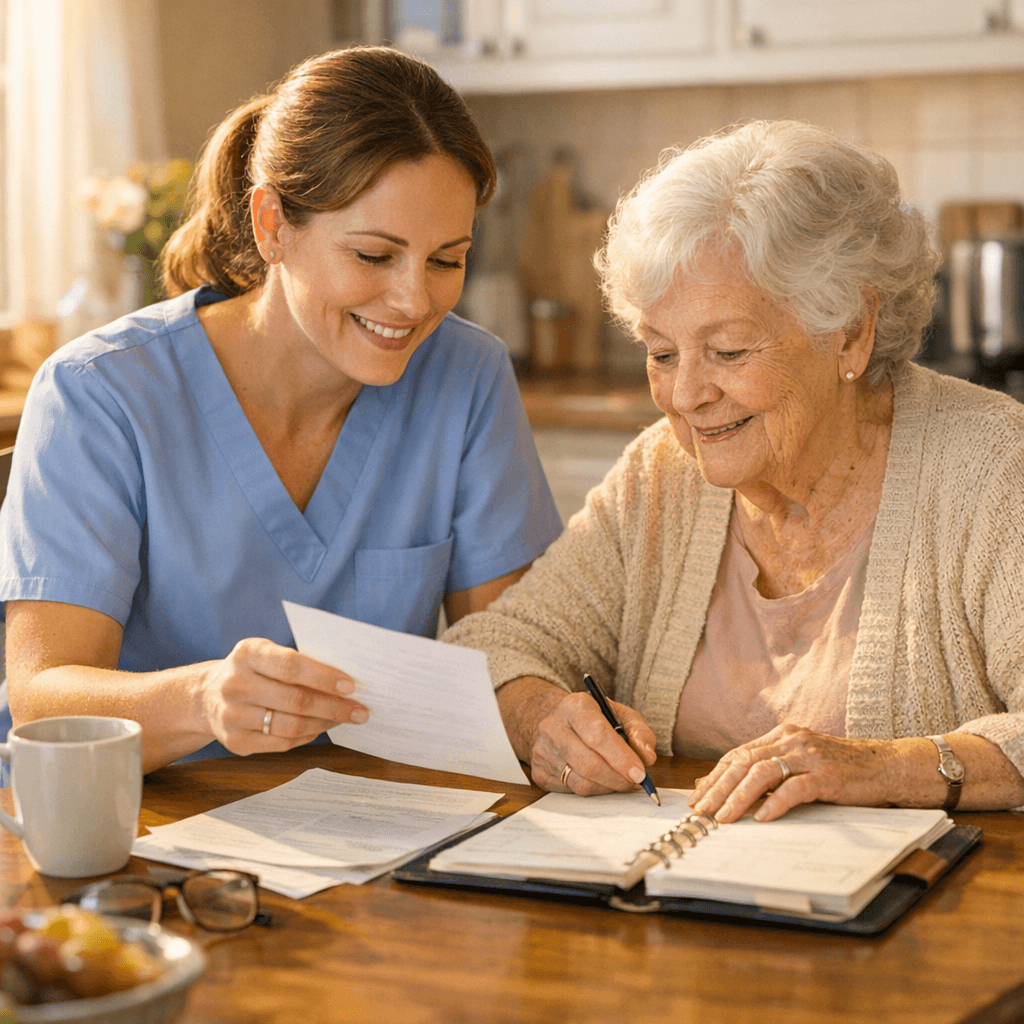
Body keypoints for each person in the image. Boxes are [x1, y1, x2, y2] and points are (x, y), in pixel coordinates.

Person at [0, 46, 562, 778]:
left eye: (447, 260)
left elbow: (510, 647)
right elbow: (43, 693)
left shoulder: (467, 377)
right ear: (271, 224)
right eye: (372, 256)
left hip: (369, 834)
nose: (414, 301)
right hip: (135, 832)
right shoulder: (100, 393)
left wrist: (546, 713)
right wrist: (204, 699)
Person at [443, 119, 1024, 821]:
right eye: (661, 353)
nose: (686, 395)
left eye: (728, 352)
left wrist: (884, 766)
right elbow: (492, 645)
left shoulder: (992, 467)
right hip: (685, 906)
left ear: (851, 330)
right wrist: (541, 716)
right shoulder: (662, 476)